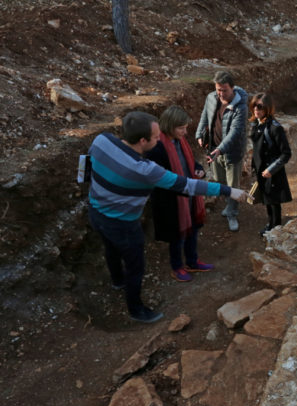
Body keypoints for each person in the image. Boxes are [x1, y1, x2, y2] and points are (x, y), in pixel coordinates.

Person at [87, 111, 247, 323]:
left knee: (110, 249)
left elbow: (87, 164)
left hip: (95, 212)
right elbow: (187, 186)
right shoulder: (144, 169)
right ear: (142, 140)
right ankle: (136, 310)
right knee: (135, 266)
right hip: (123, 224)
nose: (158, 139)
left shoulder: (101, 141)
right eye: (155, 137)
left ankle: (117, 281)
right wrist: (229, 191)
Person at [147, 106, 214, 283]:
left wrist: (199, 171)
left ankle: (192, 261)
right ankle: (177, 267)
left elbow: (191, 164)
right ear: (170, 126)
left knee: (192, 229)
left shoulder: (180, 141)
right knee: (177, 235)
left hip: (188, 194)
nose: (185, 132)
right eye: (181, 128)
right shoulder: (157, 147)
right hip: (171, 200)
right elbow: (158, 178)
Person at [196, 70, 248, 232]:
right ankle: (228, 205)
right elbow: (204, 116)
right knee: (219, 179)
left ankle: (232, 212)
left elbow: (235, 132)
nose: (221, 93)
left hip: (232, 152)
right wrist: (199, 134)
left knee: (233, 184)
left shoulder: (241, 106)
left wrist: (220, 149)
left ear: (232, 88)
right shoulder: (211, 98)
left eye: (224, 90)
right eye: (218, 89)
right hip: (214, 149)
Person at [248, 93, 292, 236]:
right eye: (254, 105)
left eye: (260, 107)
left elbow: (286, 153)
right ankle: (270, 224)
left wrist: (271, 169)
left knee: (274, 201)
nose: (256, 109)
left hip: (272, 171)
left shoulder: (274, 128)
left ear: (267, 108)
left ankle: (275, 228)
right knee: (267, 199)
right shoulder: (257, 124)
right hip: (261, 170)